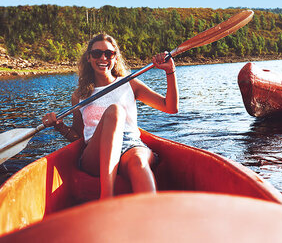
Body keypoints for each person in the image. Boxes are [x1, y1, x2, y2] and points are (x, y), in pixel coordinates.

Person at [42, 33, 179, 198]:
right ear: (88, 58)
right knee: (115, 111)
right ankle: (107, 197)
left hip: (130, 144)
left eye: (109, 53)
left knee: (139, 163)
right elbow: (78, 137)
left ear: (115, 57)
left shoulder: (130, 83)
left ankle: (151, 215)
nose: (103, 58)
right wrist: (59, 126)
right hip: (95, 150)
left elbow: (170, 107)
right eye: (96, 53)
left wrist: (170, 72)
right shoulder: (79, 95)